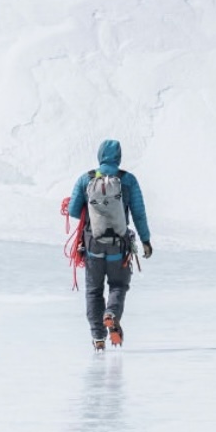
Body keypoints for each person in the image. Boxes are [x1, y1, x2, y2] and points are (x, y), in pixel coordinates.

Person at [67, 138, 152, 350]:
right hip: (119, 246)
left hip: (93, 246)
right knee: (118, 285)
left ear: (100, 155)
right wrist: (145, 240)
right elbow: (139, 213)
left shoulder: (86, 179)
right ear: (119, 157)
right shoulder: (128, 180)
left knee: (94, 291)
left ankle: (98, 337)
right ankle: (111, 314)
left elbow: (74, 211)